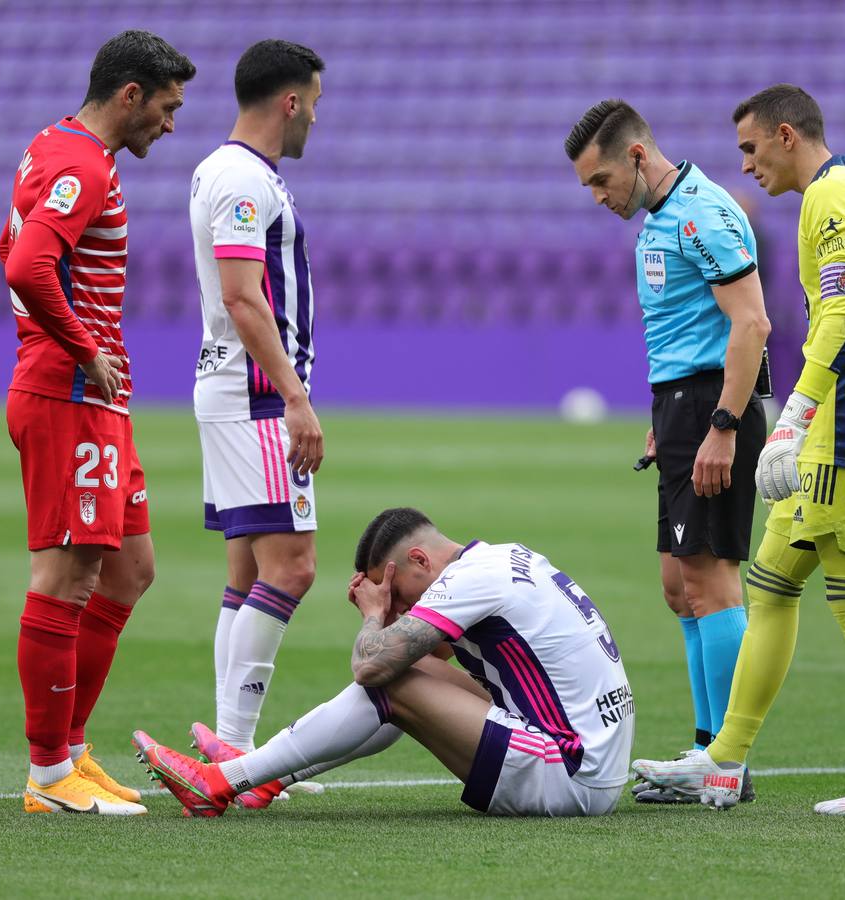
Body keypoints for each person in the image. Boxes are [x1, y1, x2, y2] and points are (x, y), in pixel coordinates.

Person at [633, 84, 845, 816]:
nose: (745, 166)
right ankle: (723, 761)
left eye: (750, 147)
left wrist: (796, 417)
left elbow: (840, 313)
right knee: (769, 588)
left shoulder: (831, 202)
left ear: (787, 135)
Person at [134, 507, 635, 818]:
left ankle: (220, 784)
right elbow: (433, 655)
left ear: (419, 560)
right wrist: (391, 614)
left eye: (397, 592)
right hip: (591, 763)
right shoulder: (502, 557)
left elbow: (370, 667)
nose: (400, 609)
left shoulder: (466, 582)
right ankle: (261, 774)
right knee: (409, 671)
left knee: (391, 680)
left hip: (571, 777)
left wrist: (374, 617)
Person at [0, 30, 194, 815]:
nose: (170, 124)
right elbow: (26, 263)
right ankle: (48, 774)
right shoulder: (81, 164)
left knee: (129, 570)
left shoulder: (53, 147)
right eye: (167, 107)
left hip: (95, 397)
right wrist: (81, 346)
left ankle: (72, 749)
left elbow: (9, 241)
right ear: (129, 95)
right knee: (68, 576)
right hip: (70, 394)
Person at [564, 100, 770, 802]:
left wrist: (721, 423)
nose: (599, 199)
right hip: (680, 409)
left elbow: (752, 323)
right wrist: (666, 417)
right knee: (679, 587)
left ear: (636, 156)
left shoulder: (700, 213)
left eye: (600, 182)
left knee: (711, 584)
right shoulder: (660, 219)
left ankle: (726, 761)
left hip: (712, 410)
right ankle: (704, 751)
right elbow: (692, 325)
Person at [185, 41, 325, 801]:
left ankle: (227, 747)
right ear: (290, 102)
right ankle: (237, 758)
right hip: (256, 395)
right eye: (316, 104)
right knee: (293, 567)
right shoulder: (242, 179)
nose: (315, 121)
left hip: (231, 390)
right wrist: (295, 396)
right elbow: (244, 296)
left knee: (245, 574)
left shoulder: (223, 169)